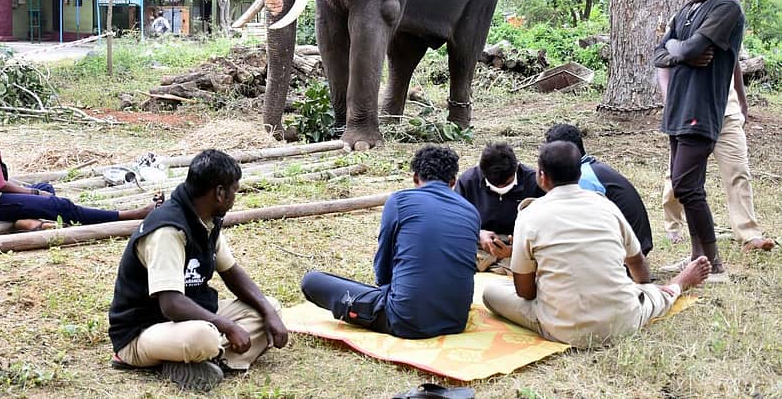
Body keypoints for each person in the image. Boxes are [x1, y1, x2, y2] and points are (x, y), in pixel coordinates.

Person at [482, 141, 711, 348]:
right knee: (652, 297)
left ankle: (661, 289)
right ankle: (676, 286)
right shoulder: (606, 206)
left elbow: (525, 291)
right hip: (624, 321)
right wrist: (642, 288)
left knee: (491, 293)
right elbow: (638, 263)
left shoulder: (529, 215)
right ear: (579, 173)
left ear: (541, 176)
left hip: (561, 328)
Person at [108, 150, 288, 393]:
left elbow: (232, 273)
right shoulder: (168, 230)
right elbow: (170, 304)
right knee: (204, 336)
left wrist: (267, 311)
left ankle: (208, 362)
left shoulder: (206, 220)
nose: (236, 196)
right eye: (235, 189)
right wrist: (226, 326)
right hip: (143, 331)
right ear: (219, 193)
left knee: (270, 308)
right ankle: (194, 356)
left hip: (189, 317)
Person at [0, 79, 155, 229]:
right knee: (57, 203)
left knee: (46, 189)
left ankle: (22, 222)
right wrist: (32, 192)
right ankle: (127, 215)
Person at [300, 145, 480, 339]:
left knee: (312, 281)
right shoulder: (471, 211)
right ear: (453, 181)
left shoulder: (399, 201)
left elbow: (383, 265)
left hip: (406, 321)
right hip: (455, 321)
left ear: (415, 178)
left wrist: (390, 291)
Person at [659, 0, 774, 254]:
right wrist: (670, 97)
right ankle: (675, 228)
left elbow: (731, 63)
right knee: (679, 179)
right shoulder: (686, 18)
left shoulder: (726, 16)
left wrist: (742, 102)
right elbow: (663, 57)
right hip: (687, 109)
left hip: (725, 110)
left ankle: (748, 235)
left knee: (737, 171)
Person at [652, 0, 746, 280]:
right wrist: (682, 52)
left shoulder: (726, 7)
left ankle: (714, 263)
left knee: (685, 184)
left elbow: (685, 48)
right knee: (689, 185)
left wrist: (680, 49)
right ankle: (697, 259)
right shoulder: (689, 9)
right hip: (678, 107)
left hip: (702, 108)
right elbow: (659, 52)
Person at [544, 123, 653, 255]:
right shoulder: (590, 168)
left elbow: (579, 224)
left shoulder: (583, 178)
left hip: (626, 254)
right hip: (633, 245)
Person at [455, 142, 544, 273]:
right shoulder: (468, 181)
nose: (501, 188)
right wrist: (478, 233)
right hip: (478, 247)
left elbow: (546, 228)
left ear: (516, 168)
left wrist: (515, 250)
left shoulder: (534, 182)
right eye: (494, 184)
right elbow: (456, 221)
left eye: (506, 183)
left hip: (521, 248)